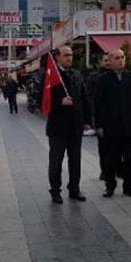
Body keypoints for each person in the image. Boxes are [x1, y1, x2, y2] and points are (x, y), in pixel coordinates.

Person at [46, 46, 91, 204]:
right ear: (57, 57)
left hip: (75, 125)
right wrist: (59, 102)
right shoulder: (50, 75)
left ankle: (74, 189)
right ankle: (55, 191)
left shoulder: (77, 74)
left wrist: (87, 120)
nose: (69, 58)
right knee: (56, 161)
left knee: (75, 160)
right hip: (58, 127)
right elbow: (42, 101)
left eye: (71, 55)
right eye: (66, 55)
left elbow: (84, 97)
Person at [94, 49, 131, 198]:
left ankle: (128, 187)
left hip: (128, 126)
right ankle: (110, 186)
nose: (121, 60)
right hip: (110, 127)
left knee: (129, 159)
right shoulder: (103, 79)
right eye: (117, 58)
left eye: (122, 57)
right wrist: (99, 125)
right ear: (110, 61)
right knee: (110, 160)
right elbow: (98, 104)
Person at [86, 54, 110, 180]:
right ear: (100, 61)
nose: (107, 63)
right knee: (103, 146)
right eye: (105, 60)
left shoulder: (118, 76)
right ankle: (104, 171)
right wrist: (91, 117)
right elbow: (89, 97)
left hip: (116, 118)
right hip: (101, 117)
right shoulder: (94, 77)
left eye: (109, 60)